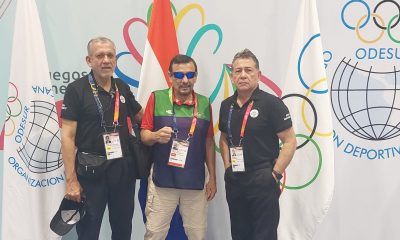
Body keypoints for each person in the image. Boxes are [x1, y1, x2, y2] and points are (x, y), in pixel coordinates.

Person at [61, 37, 143, 240]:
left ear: (115, 59)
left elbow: (141, 117)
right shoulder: (76, 89)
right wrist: (71, 180)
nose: (106, 60)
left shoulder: (121, 87)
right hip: (91, 173)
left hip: (123, 172)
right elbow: (67, 136)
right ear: (89, 60)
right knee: (88, 232)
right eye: (100, 56)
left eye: (110, 55)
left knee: (123, 230)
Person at [219, 49, 297, 240]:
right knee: (239, 233)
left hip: (262, 178)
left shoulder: (272, 104)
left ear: (258, 75)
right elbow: (223, 138)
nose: (243, 75)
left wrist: (275, 173)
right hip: (235, 179)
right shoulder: (226, 105)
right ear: (232, 76)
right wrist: (228, 167)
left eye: (248, 70)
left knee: (264, 235)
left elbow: (290, 141)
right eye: (238, 71)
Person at [140, 54, 217, 240]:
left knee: (197, 234)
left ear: (196, 77)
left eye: (190, 75)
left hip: (195, 183)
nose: (184, 80)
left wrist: (213, 178)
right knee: (155, 233)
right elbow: (143, 135)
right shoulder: (156, 98)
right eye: (179, 75)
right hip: (162, 182)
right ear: (170, 76)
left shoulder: (205, 103)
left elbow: (209, 142)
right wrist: (155, 136)